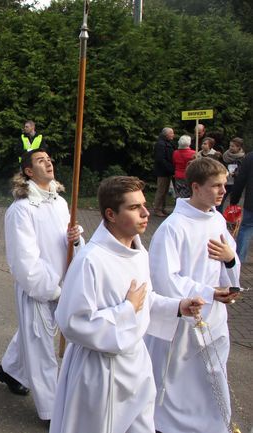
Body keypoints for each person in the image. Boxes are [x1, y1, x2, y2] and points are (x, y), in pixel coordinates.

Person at [50, 176, 205, 433]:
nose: (146, 213)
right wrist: (126, 310)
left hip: (136, 364)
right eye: (134, 208)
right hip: (100, 371)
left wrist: (178, 306)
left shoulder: (138, 252)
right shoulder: (91, 260)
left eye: (144, 205)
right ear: (111, 214)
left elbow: (144, 298)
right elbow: (73, 323)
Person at [147, 158, 240, 433]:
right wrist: (208, 293)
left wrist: (231, 260)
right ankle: (166, 425)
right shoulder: (173, 227)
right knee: (178, 381)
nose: (223, 191)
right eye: (216, 186)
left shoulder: (217, 220)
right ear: (196, 187)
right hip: (185, 319)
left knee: (212, 376)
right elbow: (165, 280)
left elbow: (228, 268)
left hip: (214, 316)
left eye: (224, 185)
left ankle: (213, 424)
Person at [0, 149, 81, 419]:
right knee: (41, 347)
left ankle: (8, 370)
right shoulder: (21, 210)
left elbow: (65, 243)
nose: (49, 162)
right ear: (29, 172)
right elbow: (24, 260)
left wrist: (76, 239)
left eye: (50, 159)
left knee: (31, 336)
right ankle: (52, 411)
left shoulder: (60, 203)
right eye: (41, 160)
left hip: (61, 282)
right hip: (38, 288)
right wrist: (51, 289)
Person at [229, 144, 253, 262]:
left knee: (247, 228)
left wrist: (234, 200)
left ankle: (239, 260)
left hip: (251, 203)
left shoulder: (250, 157)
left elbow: (240, 180)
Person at [153, 127, 175, 217]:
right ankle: (157, 209)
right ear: (166, 134)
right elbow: (161, 159)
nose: (173, 135)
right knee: (161, 190)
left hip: (167, 171)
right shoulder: (161, 144)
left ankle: (162, 208)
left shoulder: (167, 143)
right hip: (163, 172)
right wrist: (170, 168)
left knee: (165, 191)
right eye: (172, 133)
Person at [219, 137, 245, 212]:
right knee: (220, 201)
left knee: (233, 203)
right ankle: (219, 216)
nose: (230, 148)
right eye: (230, 145)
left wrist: (236, 174)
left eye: (233, 146)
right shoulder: (225, 155)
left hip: (235, 183)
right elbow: (220, 165)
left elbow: (243, 171)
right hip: (225, 181)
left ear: (239, 147)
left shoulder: (242, 158)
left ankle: (232, 219)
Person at [172, 134, 196, 199]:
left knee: (179, 193)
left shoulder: (175, 153)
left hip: (178, 175)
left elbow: (174, 163)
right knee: (188, 194)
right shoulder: (193, 153)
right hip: (189, 175)